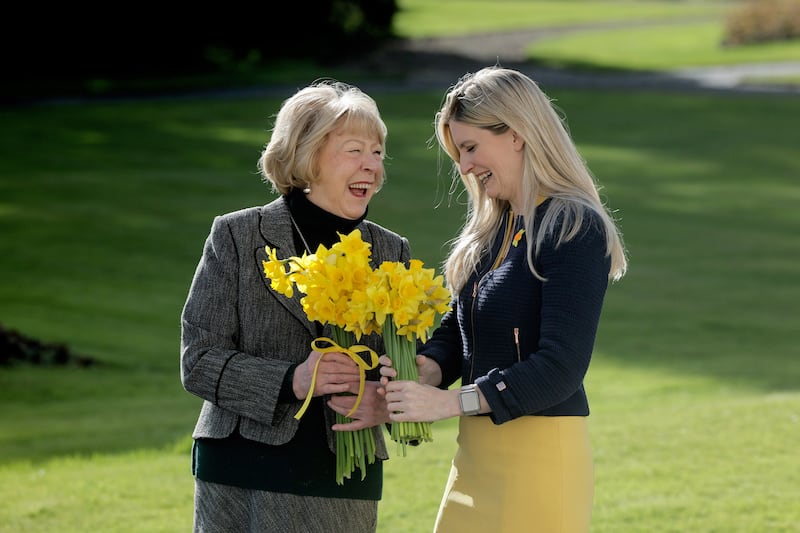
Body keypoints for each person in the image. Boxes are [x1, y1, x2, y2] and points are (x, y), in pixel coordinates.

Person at [379, 66, 628, 533]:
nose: (464, 166)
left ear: (516, 134)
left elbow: (561, 368)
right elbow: (460, 329)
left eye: (470, 147)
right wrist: (426, 369)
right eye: (458, 153)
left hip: (539, 462)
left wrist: (448, 403)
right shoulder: (493, 230)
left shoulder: (572, 226)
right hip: (474, 458)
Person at [180, 79, 411, 533]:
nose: (372, 166)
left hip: (343, 473)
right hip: (242, 469)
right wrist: (294, 379)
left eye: (378, 152)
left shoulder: (392, 252)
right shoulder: (237, 236)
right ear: (306, 155)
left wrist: (385, 399)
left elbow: (402, 365)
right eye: (354, 151)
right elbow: (198, 361)